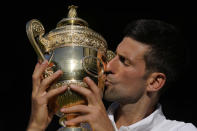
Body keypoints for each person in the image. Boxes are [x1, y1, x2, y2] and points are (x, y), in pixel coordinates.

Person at [26, 19, 197, 131]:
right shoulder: (76, 124)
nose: (107, 66)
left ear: (155, 82)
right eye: (114, 55)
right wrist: (36, 125)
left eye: (124, 61)